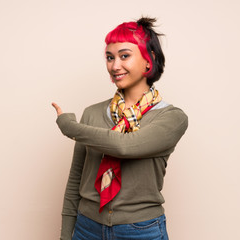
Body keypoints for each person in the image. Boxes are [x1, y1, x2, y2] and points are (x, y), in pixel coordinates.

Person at [52, 17, 188, 240]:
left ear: (148, 60)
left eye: (124, 56)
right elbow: (76, 178)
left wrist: (70, 127)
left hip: (141, 231)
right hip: (87, 228)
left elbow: (125, 146)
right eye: (109, 57)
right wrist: (66, 235)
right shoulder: (92, 113)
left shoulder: (172, 118)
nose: (114, 66)